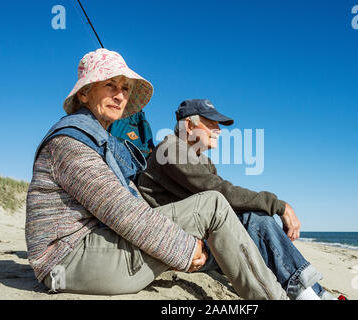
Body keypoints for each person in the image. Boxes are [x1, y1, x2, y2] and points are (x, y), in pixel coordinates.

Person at [25, 48, 293, 299]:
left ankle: (288, 287)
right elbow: (121, 211)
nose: (120, 96)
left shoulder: (100, 138)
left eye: (125, 88)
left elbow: (131, 203)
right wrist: (183, 249)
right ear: (84, 94)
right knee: (214, 206)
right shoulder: (72, 142)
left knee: (217, 215)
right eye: (110, 85)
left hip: (94, 248)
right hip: (68, 261)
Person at [137, 99, 339, 300]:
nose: (219, 130)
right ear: (189, 126)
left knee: (253, 220)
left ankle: (314, 293)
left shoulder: (201, 159)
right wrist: (279, 206)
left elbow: (225, 200)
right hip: (177, 246)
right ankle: (311, 295)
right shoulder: (171, 149)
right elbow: (221, 191)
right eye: (211, 124)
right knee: (255, 219)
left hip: (201, 242)